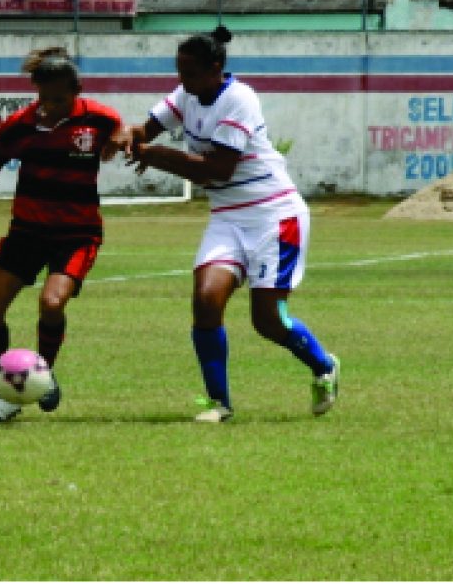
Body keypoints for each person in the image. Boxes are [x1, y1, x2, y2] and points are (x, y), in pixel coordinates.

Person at [127, 26, 340, 423]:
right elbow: (146, 129)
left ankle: (324, 365)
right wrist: (126, 138)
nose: (182, 82)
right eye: (179, 72)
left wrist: (155, 155)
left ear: (216, 69)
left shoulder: (240, 98)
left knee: (267, 320)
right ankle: (219, 404)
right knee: (206, 300)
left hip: (273, 215)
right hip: (227, 217)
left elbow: (219, 170)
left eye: (190, 73)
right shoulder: (186, 94)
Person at [0, 48, 128, 423]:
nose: (51, 107)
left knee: (51, 304)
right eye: (44, 99)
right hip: (27, 231)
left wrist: (122, 138)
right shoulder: (23, 123)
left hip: (76, 234)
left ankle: (42, 375)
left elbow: (121, 129)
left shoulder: (98, 118)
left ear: (77, 90)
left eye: (60, 99)